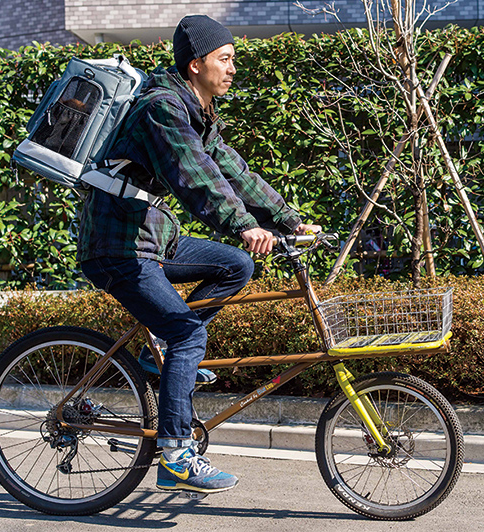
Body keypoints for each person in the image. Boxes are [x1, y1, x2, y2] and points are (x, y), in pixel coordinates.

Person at [78, 14, 321, 494]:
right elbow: (197, 177)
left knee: (236, 265)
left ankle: (161, 354)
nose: (233, 68)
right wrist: (243, 225)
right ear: (196, 64)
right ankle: (175, 457)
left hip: (152, 239)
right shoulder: (163, 109)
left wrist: (290, 220)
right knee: (188, 334)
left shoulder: (198, 113)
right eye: (224, 59)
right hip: (117, 246)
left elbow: (233, 171)